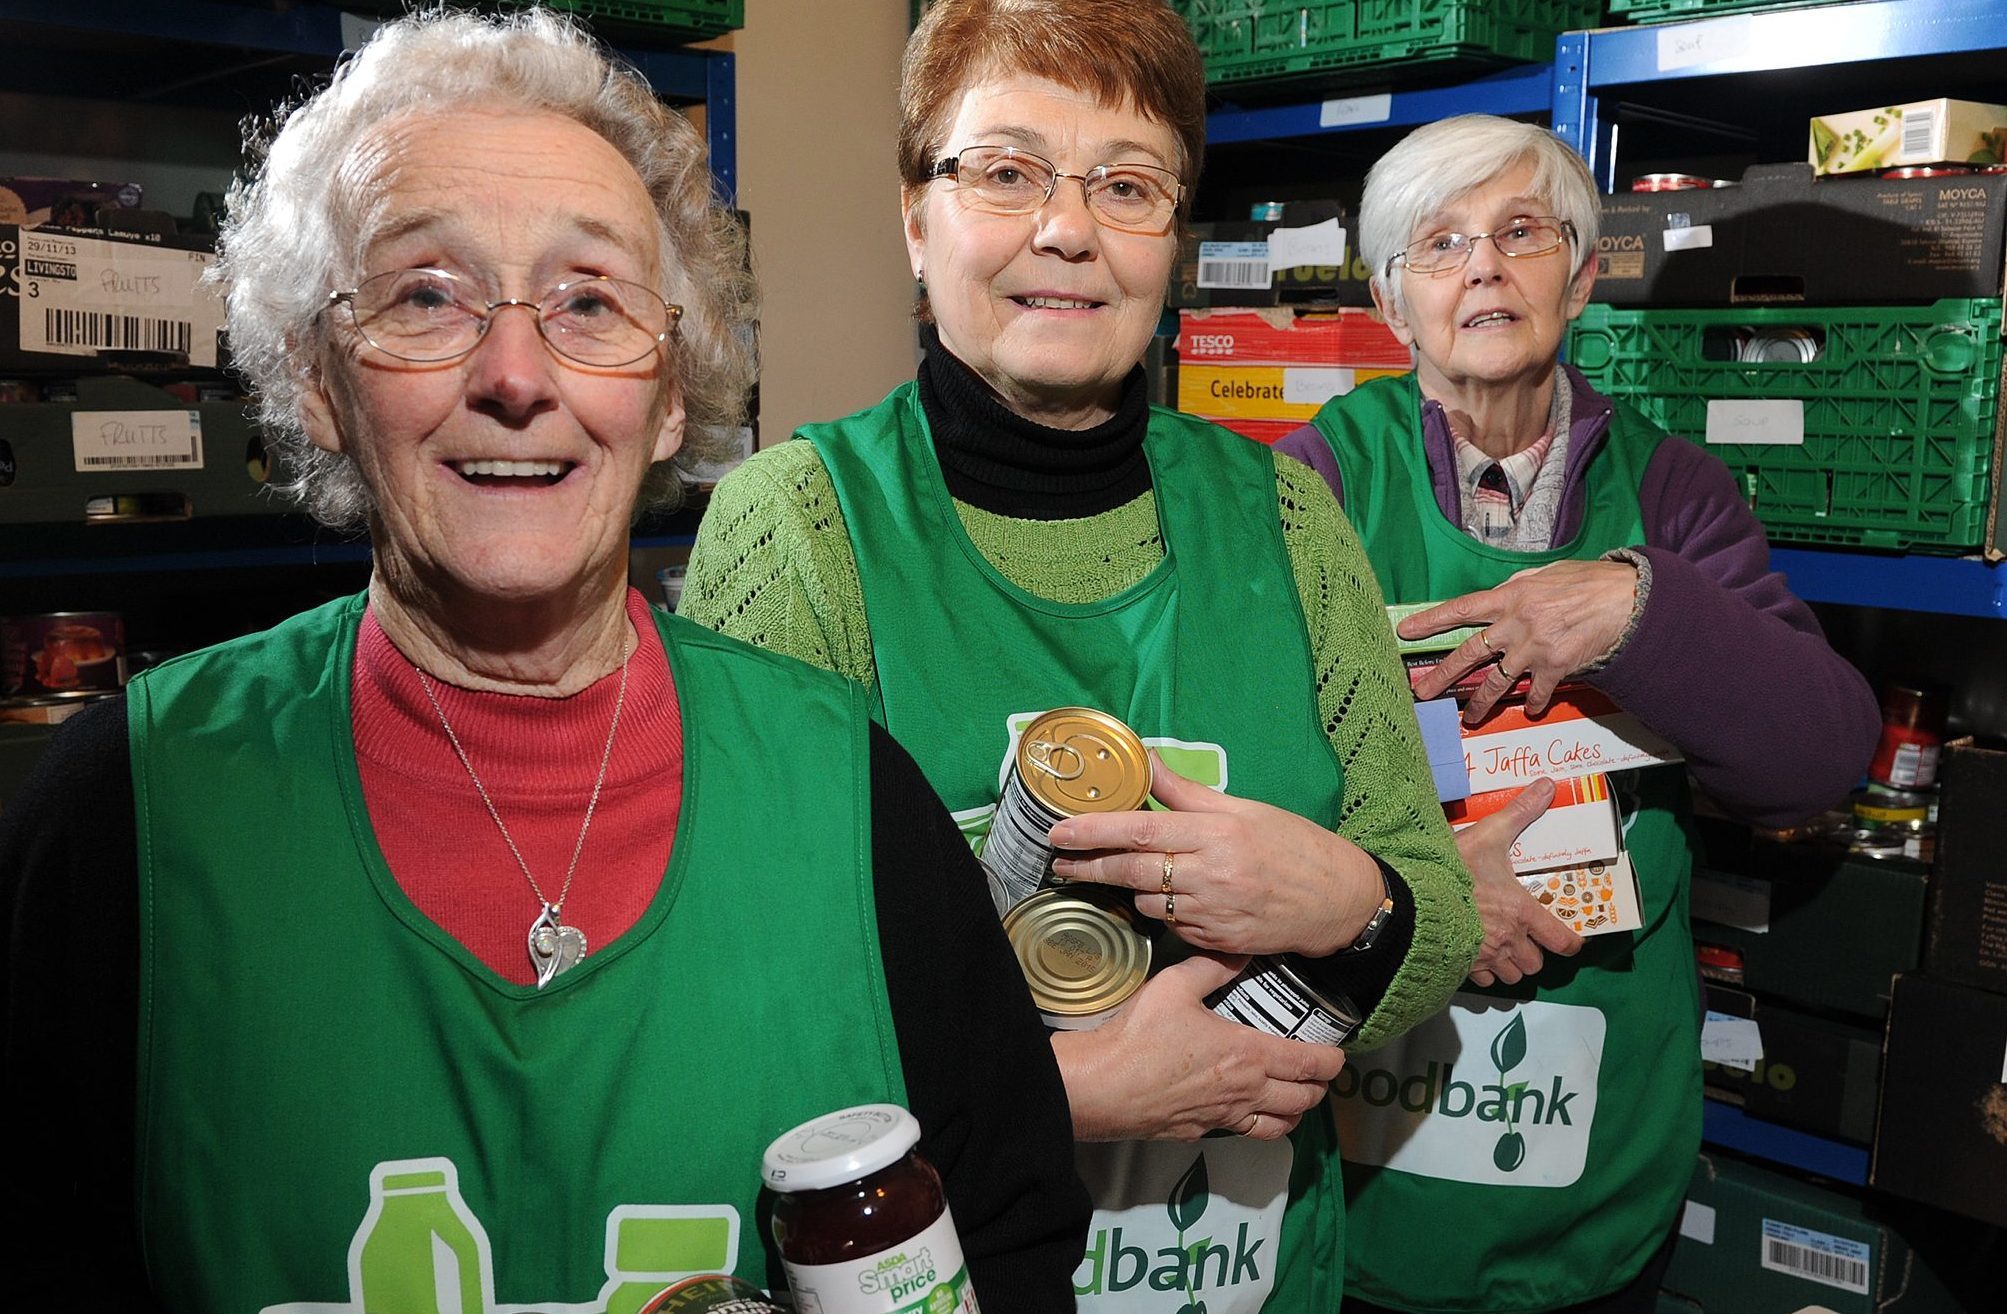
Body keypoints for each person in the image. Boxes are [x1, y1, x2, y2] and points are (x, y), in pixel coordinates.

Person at [0, 10, 1090, 1311]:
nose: (515, 373)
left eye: (588, 300)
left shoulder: (850, 795)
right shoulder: (125, 811)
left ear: (673, 388)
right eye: (424, 296)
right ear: (314, 377)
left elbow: (1014, 1245)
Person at [680, 3, 1489, 1310]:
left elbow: (1435, 916)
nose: (1065, 228)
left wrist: (1345, 899)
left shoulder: (1286, 516)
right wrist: (1067, 1093)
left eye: (1125, 184)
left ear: (1172, 236)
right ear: (912, 213)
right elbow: (744, 1005)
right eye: (1004, 172)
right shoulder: (796, 524)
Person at [1274, 113, 1881, 1314]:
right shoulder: (1313, 484)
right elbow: (1250, 776)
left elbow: (1817, 759)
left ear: (1586, 270)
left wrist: (1638, 614)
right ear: (1393, 308)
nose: (1485, 266)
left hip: (1606, 1147)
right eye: (1438, 244)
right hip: (1368, 1113)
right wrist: (1426, 893)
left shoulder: (1674, 491)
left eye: (1520, 232)